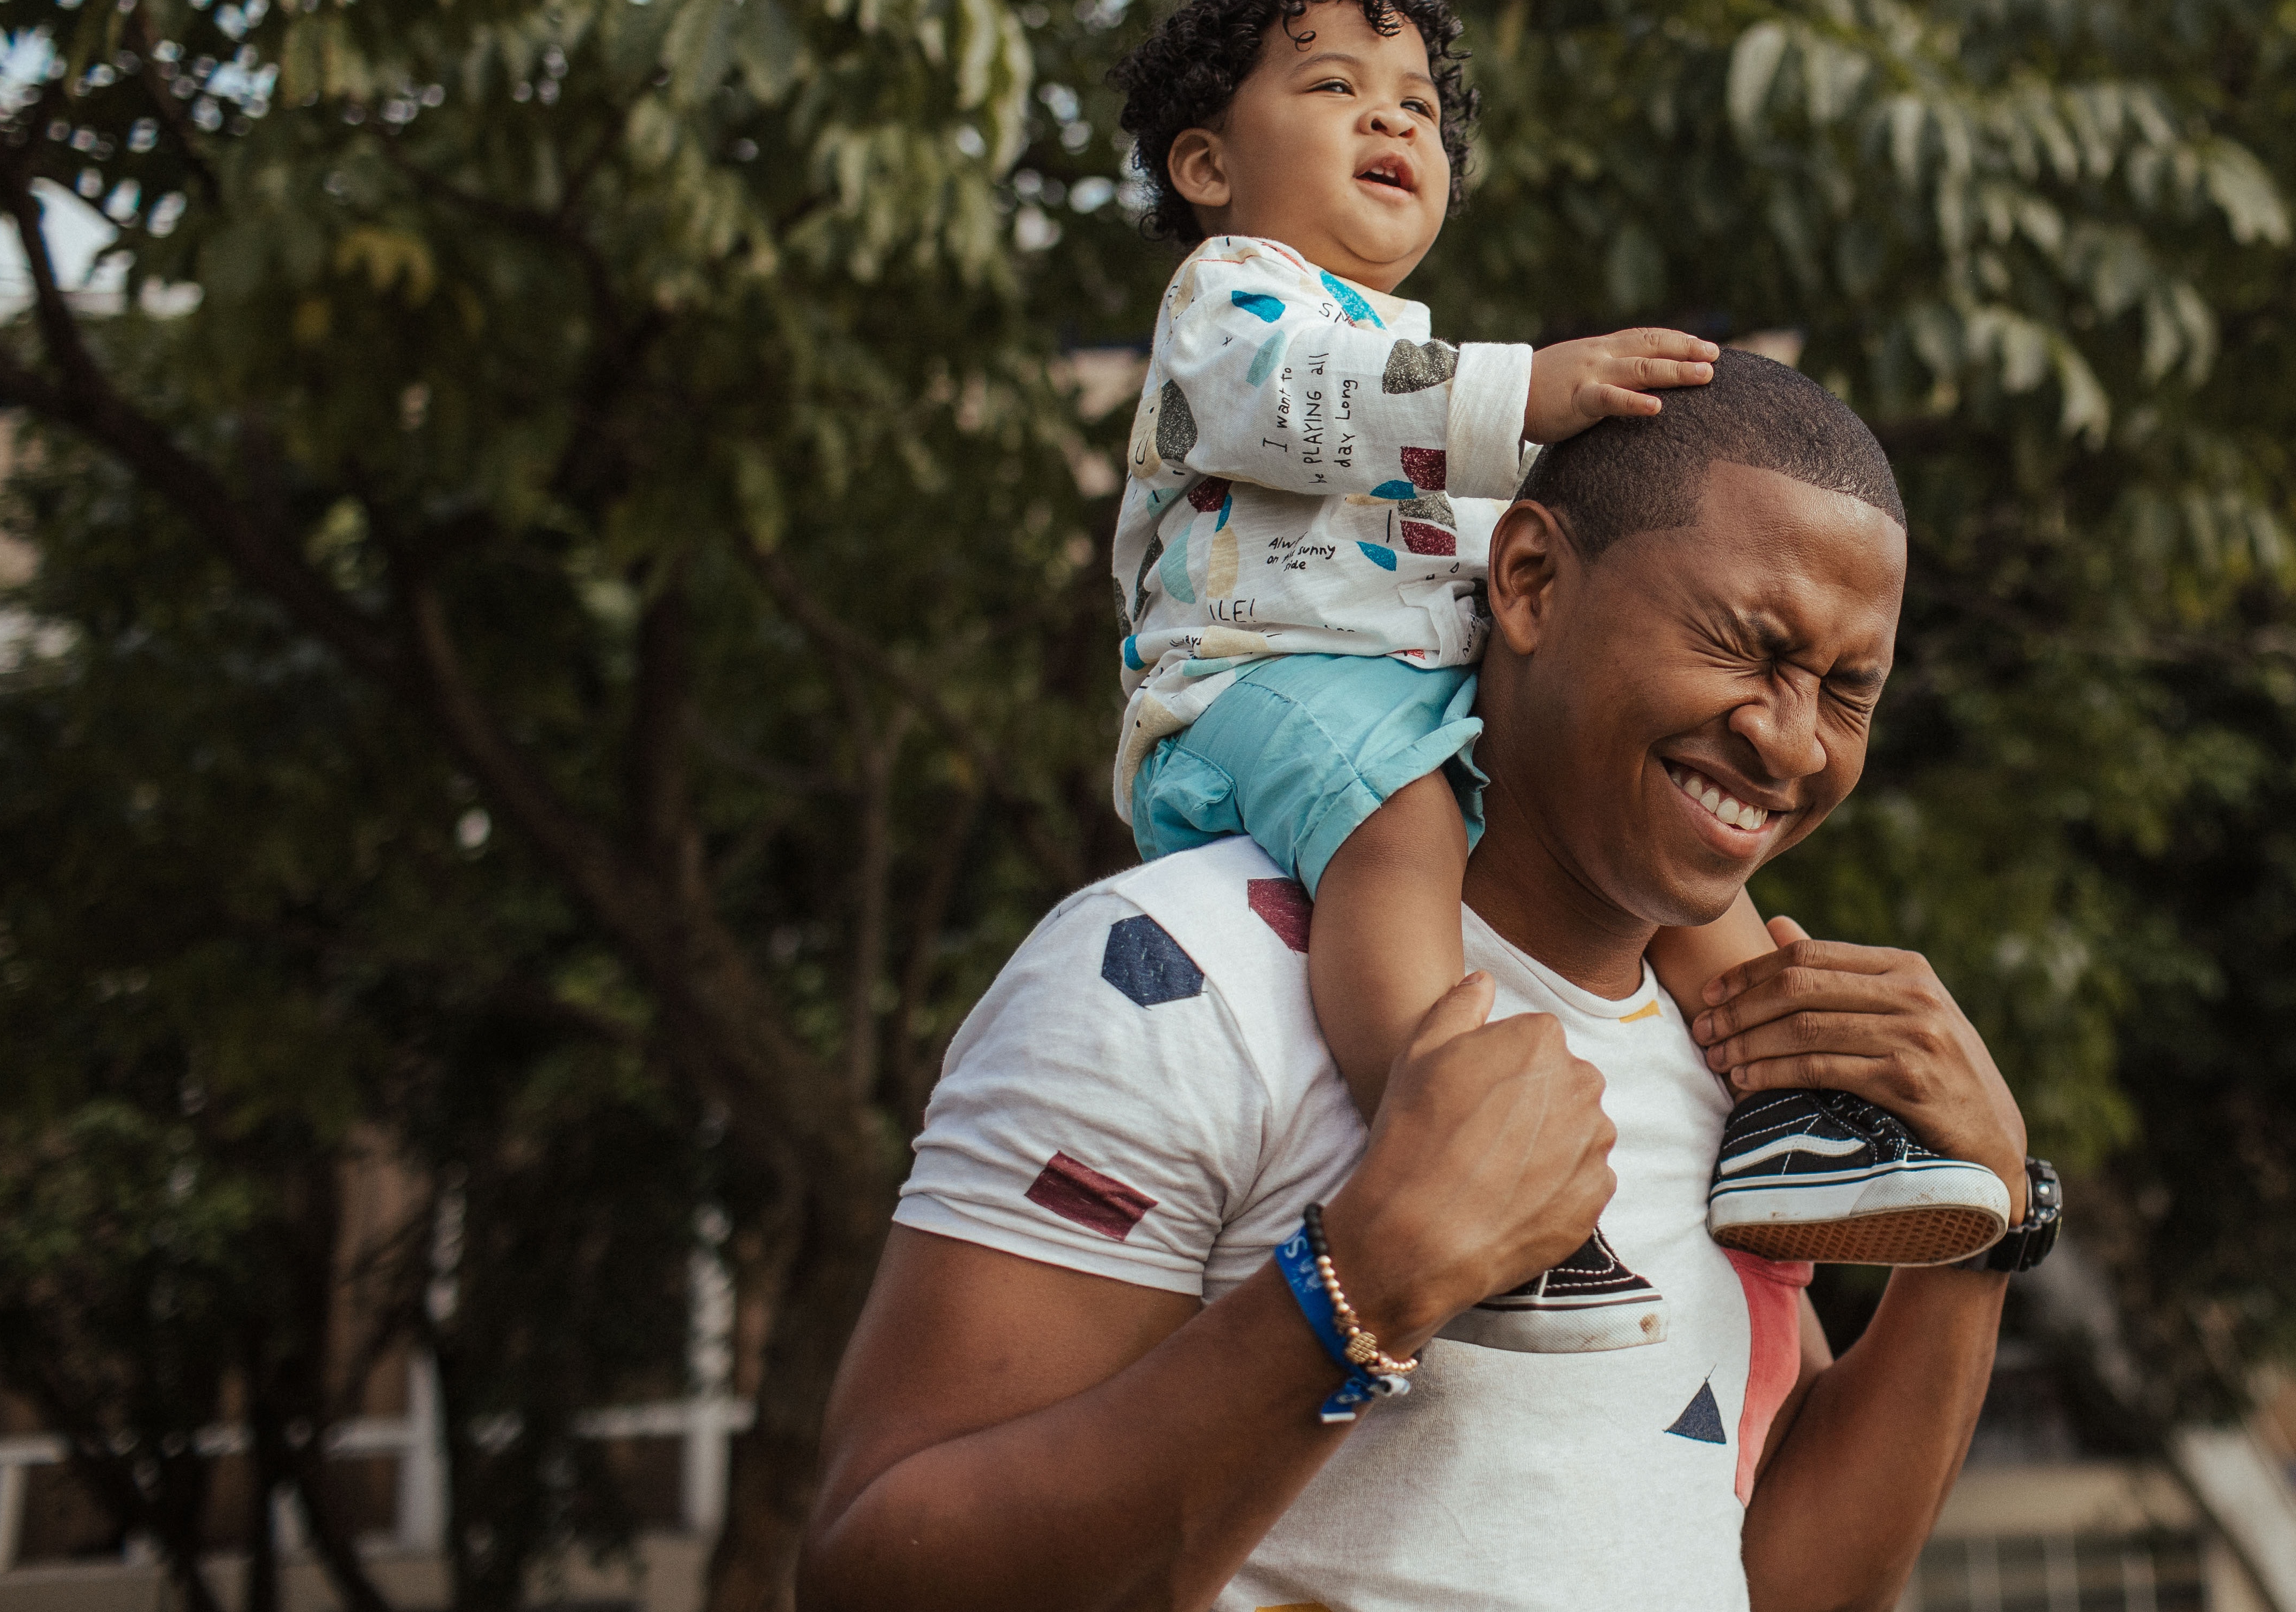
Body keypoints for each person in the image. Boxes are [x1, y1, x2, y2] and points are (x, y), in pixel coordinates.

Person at [800, 355, 2064, 1611]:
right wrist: (1357, 1285)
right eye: (1745, 644)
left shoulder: (1732, 1063)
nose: (1790, 740)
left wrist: (1987, 1220)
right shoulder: (1180, 976)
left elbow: (1777, 1578)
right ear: (1529, 582)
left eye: (1847, 690)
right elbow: (873, 1573)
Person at [1098, 0, 2010, 1350]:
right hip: (1251, 684)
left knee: (1681, 857)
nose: (1392, 118)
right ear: (1208, 164)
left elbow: (1474, 545)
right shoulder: (1234, 308)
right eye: (1336, 88)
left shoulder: (1408, 355)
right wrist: (1535, 391)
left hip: (1397, 685)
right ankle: (1455, 1143)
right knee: (1400, 830)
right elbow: (1300, 401)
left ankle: (1791, 1116)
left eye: (1416, 105)